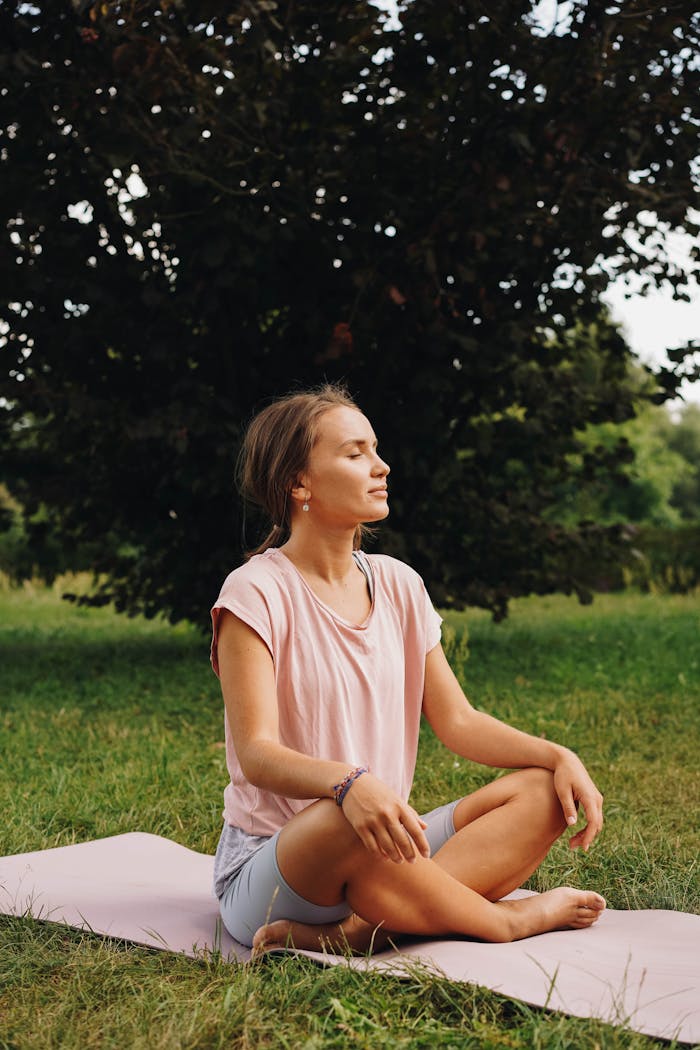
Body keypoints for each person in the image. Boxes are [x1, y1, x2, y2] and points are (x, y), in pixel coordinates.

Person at [210, 384, 605, 952]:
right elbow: (258, 755)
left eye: (376, 449)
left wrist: (558, 755)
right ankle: (503, 921)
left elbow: (459, 722)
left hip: (385, 840)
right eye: (355, 453)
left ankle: (358, 930)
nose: (381, 466)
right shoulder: (254, 593)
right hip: (282, 866)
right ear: (300, 483)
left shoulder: (398, 584)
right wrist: (350, 785)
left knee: (545, 791)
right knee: (338, 817)